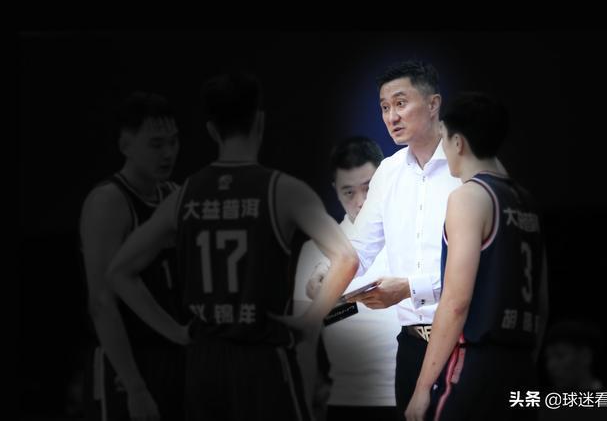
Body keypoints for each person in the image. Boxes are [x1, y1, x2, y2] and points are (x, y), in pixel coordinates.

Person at [106, 73, 359, 421]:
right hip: (263, 358)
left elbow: (118, 273)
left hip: (203, 364)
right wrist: (309, 320)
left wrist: (175, 332)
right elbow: (346, 258)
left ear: (211, 130)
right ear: (260, 121)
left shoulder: (184, 196)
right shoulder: (283, 190)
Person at [323, 60, 461, 419]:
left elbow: (477, 271)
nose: (391, 116)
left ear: (433, 104)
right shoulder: (388, 171)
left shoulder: (463, 166)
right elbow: (359, 248)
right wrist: (327, 277)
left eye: (401, 103)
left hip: (462, 340)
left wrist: (410, 287)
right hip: (411, 342)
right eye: (384, 107)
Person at [405, 92, 549, 421]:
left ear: (458, 142)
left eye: (443, 138)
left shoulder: (469, 197)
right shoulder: (527, 200)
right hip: (523, 366)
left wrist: (422, 387)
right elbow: (542, 302)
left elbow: (456, 302)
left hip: (477, 366)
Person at [79, 91, 185, 421]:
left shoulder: (174, 195)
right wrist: (134, 386)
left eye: (173, 141)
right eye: (156, 144)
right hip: (126, 360)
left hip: (171, 356)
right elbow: (101, 303)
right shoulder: (108, 201)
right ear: (125, 145)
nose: (168, 153)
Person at [294, 137, 398, 421]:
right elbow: (305, 342)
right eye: (348, 192)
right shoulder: (315, 251)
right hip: (344, 400)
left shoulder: (409, 242)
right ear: (335, 191)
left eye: (369, 188)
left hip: (407, 396)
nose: (360, 202)